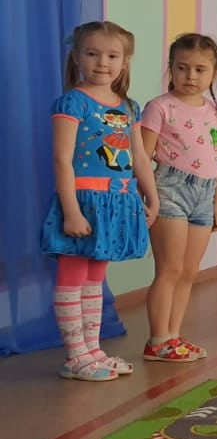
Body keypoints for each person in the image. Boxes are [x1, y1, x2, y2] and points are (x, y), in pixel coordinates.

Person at [41, 21, 159, 381]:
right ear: (77, 57)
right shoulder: (73, 102)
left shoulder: (129, 107)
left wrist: (151, 196)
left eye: (112, 56)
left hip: (116, 202)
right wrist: (72, 211)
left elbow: (140, 158)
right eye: (92, 54)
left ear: (125, 61)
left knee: (95, 277)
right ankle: (75, 356)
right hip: (83, 201)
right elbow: (62, 159)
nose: (102, 63)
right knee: (73, 276)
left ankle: (91, 350)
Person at [139, 33, 217, 363]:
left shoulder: (215, 111)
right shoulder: (159, 107)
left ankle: (173, 336)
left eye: (200, 70)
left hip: (204, 194)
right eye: (182, 67)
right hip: (170, 190)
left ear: (214, 73)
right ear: (171, 68)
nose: (191, 76)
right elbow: (142, 157)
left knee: (189, 271)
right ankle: (157, 339)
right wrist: (149, 198)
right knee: (170, 268)